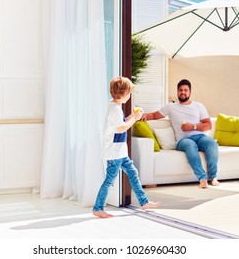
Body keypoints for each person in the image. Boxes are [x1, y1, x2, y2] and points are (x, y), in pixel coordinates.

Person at [93, 76, 160, 218]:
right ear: (123, 93)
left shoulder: (114, 106)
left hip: (120, 152)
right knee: (109, 180)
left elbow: (122, 123)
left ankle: (144, 202)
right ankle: (98, 208)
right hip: (114, 153)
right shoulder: (115, 110)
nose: (129, 96)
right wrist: (134, 119)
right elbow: (121, 128)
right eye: (129, 93)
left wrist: (132, 116)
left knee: (133, 173)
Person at [142, 79, 219, 189]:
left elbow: (208, 125)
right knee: (190, 145)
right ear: (177, 92)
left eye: (185, 90)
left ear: (190, 92)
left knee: (211, 143)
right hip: (184, 140)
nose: (183, 92)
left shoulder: (198, 106)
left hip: (200, 137)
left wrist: (193, 126)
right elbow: (154, 115)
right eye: (180, 90)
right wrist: (142, 115)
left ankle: (213, 177)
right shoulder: (171, 107)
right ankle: (202, 178)